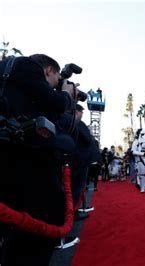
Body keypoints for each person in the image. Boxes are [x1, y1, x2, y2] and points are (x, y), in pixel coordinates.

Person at [0, 54, 77, 265]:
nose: (54, 84)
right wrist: (66, 95)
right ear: (49, 70)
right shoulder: (26, 65)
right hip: (20, 156)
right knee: (44, 216)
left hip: (11, 152)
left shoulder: (12, 78)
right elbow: (55, 103)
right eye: (56, 78)